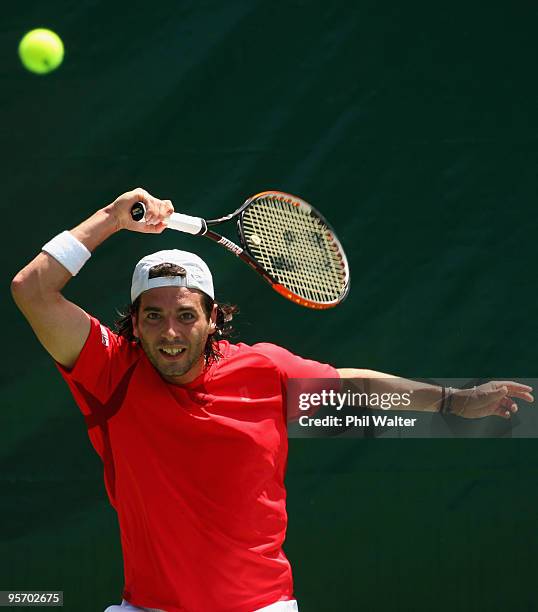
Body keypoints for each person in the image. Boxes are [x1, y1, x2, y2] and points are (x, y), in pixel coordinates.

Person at [11, 188, 533, 612]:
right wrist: (111, 217)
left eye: (186, 314)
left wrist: (451, 400)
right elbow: (31, 290)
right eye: (153, 315)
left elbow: (354, 388)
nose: (170, 330)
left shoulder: (263, 370)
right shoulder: (109, 371)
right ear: (135, 321)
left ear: (213, 318)